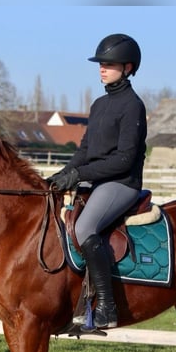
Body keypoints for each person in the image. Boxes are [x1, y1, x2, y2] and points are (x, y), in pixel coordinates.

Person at [47, 33, 147, 329]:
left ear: (128, 67)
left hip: (122, 183)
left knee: (85, 226)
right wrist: (62, 174)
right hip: (96, 181)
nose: (102, 68)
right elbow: (86, 150)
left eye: (109, 63)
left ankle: (106, 307)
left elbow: (124, 159)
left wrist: (80, 175)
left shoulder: (133, 105)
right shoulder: (100, 104)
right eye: (100, 63)